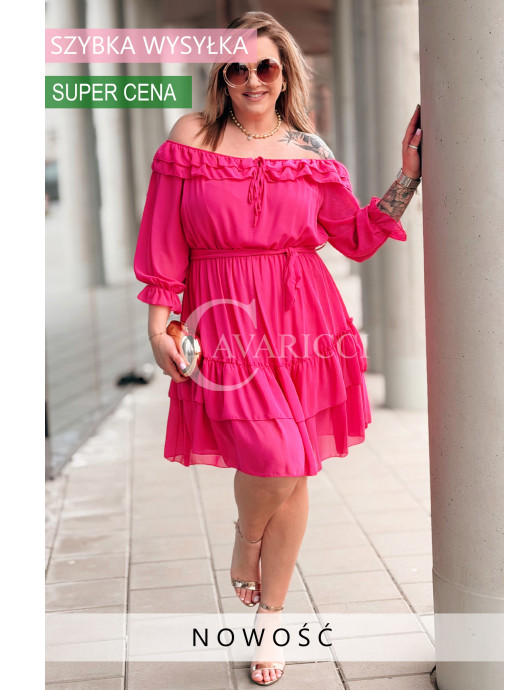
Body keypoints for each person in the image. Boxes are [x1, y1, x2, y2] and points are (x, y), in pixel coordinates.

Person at [133, 10, 422, 687]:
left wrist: (406, 177)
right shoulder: (192, 136)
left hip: (304, 319)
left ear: (285, 73)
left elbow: (355, 236)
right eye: (237, 67)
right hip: (224, 318)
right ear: (222, 76)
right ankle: (246, 543)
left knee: (294, 469)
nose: (252, 79)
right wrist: (158, 326)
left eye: (265, 65)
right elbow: (163, 239)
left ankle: (270, 619)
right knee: (278, 455)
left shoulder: (310, 150)